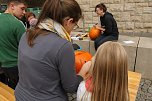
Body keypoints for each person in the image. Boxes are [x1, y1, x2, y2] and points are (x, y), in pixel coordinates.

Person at [15, 0, 90, 101]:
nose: (72, 29)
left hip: (21, 96)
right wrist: (84, 70)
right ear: (69, 21)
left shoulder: (26, 34)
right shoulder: (63, 46)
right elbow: (71, 87)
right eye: (74, 25)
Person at [0, 0, 26, 89]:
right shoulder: (17, 24)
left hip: (3, 66)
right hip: (17, 65)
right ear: (12, 6)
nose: (24, 12)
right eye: (22, 9)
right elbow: (27, 48)